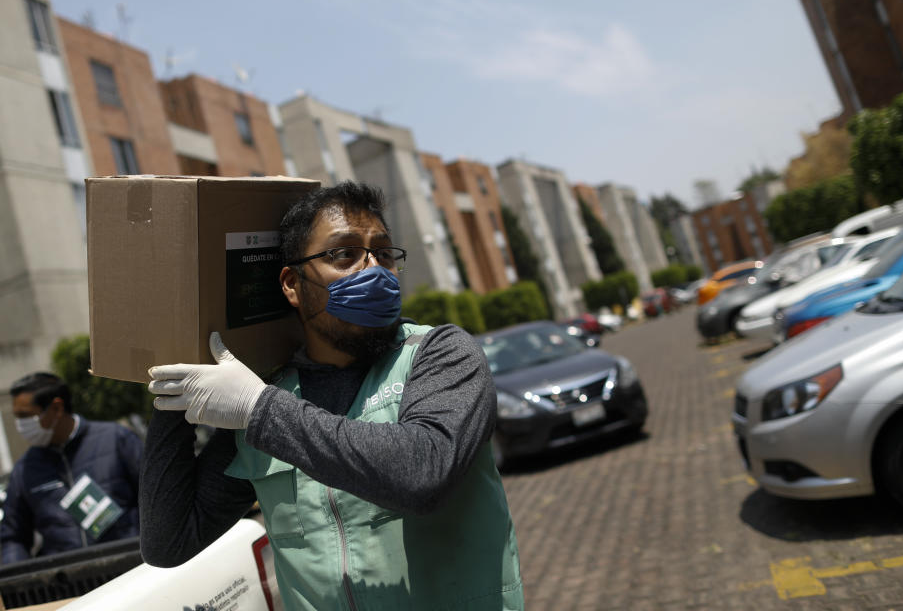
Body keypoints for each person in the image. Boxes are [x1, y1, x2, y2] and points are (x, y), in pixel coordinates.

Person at [141, 181, 523, 610]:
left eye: (383, 252)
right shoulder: (269, 402)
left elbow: (424, 472)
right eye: (344, 254)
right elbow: (169, 542)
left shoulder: (439, 355)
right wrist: (176, 375)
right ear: (291, 283)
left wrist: (259, 408)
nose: (373, 269)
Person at [1, 372, 142, 563]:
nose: (20, 426)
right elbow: (12, 536)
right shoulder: (24, 469)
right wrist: (20, 581)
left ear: (57, 408)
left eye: (25, 416)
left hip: (131, 569)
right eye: (16, 417)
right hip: (69, 584)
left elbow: (158, 501)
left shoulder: (116, 440)